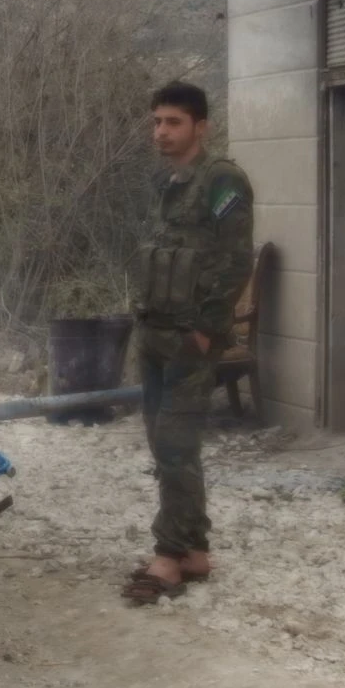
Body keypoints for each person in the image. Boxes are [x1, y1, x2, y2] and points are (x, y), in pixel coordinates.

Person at [122, 82, 253, 605]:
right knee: (165, 443)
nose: (161, 132)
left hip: (190, 339)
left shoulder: (221, 180)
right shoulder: (168, 182)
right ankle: (194, 552)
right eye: (156, 122)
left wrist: (206, 327)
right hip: (155, 332)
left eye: (173, 122)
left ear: (201, 126)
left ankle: (167, 555)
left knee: (174, 443)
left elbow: (236, 257)